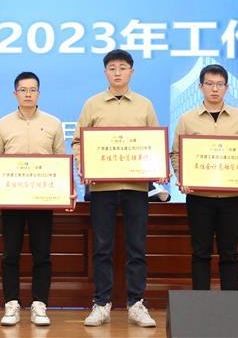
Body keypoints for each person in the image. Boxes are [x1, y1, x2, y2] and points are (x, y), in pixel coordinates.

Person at [71, 49, 161, 328]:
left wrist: (157, 168)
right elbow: (78, 142)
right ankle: (101, 304)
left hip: (136, 187)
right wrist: (84, 166)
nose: (118, 72)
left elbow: (155, 143)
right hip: (102, 188)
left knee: (137, 247)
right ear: (105, 72)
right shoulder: (92, 104)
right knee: (102, 248)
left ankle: (136, 304)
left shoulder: (144, 105)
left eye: (123, 67)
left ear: (131, 71)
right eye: (112, 68)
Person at [0, 72, 66, 327]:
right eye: (23, 90)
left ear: (39, 93)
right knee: (10, 254)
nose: (28, 94)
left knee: (42, 254)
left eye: (33, 89)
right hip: (11, 199)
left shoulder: (53, 123)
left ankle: (40, 304)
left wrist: (67, 190)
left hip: (42, 199)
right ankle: (11, 303)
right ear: (15, 93)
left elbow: (61, 161)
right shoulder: (3, 124)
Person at [170, 63, 238, 292]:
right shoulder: (187, 119)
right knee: (200, 252)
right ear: (200, 87)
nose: (215, 89)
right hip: (199, 198)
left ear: (227, 88)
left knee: (230, 253)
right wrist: (182, 178)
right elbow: (176, 154)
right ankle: (201, 302)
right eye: (209, 84)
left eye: (220, 84)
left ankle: (231, 304)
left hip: (232, 199)